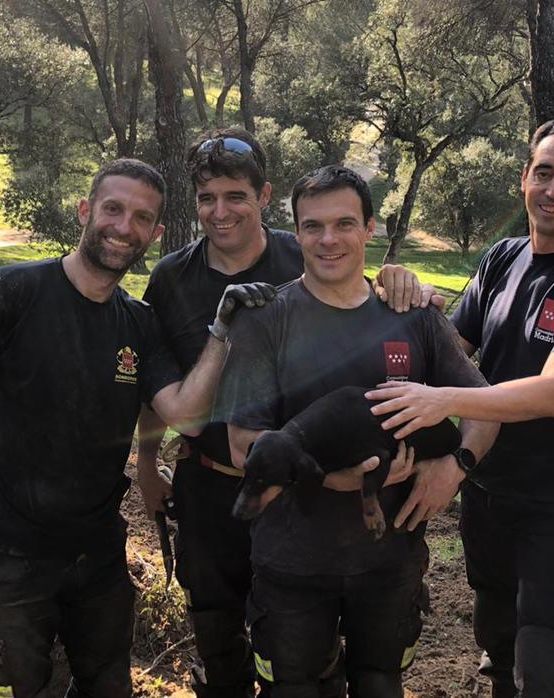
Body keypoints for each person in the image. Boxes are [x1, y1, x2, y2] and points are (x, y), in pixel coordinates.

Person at [0, 158, 274, 698]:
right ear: (86, 211)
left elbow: (185, 413)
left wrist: (221, 333)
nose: (123, 227)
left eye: (141, 218)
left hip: (98, 554)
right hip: (7, 553)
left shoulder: (138, 322)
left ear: (154, 234)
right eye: (113, 209)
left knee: (107, 684)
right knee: (10, 688)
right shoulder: (5, 295)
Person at [134, 129, 436, 698]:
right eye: (206, 198)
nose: (220, 213)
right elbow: (156, 382)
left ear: (264, 196)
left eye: (235, 196)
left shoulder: (301, 252)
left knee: (304, 648)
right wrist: (148, 463)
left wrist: (400, 279)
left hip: (303, 495)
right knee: (219, 634)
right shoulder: (172, 277)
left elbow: (361, 297)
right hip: (212, 483)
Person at [366, 119, 554, 697]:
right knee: (498, 650)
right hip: (488, 500)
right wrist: (407, 298)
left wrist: (442, 401)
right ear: (524, 178)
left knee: (542, 663)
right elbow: (450, 349)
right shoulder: (502, 258)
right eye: (544, 172)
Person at [215, 165, 499, 698]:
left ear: (370, 229)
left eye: (344, 223)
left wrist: (455, 468)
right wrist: (329, 479)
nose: (328, 240)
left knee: (380, 683)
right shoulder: (266, 319)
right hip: (292, 559)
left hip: (389, 561)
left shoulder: (412, 316)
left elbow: (484, 407)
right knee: (293, 687)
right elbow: (241, 444)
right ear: (294, 232)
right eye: (312, 226)